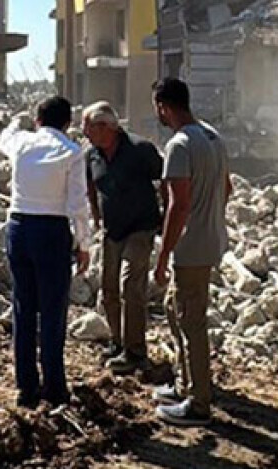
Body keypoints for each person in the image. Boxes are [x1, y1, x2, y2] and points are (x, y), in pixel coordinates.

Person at [0, 96, 92, 409]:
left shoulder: (22, 143)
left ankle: (26, 388)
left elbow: (4, 138)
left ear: (38, 120)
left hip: (18, 226)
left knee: (23, 308)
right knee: (53, 311)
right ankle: (54, 387)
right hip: (51, 231)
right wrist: (84, 244)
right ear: (68, 124)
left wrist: (16, 120)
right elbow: (78, 205)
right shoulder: (72, 152)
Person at [150, 77, 232, 426]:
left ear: (164, 106)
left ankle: (199, 403)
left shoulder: (179, 146)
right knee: (176, 309)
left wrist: (164, 255)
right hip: (210, 240)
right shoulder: (212, 136)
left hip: (192, 249)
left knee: (192, 321)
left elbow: (177, 206)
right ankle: (186, 383)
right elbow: (227, 188)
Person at [82, 100, 163, 374]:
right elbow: (91, 187)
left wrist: (165, 218)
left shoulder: (140, 149)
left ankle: (136, 352)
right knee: (109, 289)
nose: (84, 133)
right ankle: (118, 342)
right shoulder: (92, 155)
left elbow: (165, 180)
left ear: (107, 127)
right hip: (112, 230)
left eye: (88, 127)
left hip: (141, 227)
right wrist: (96, 217)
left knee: (132, 285)